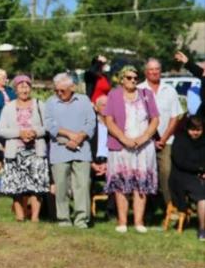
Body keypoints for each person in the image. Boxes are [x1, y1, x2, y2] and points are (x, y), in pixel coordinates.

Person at [103, 66, 159, 233]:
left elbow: (155, 119)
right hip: (121, 146)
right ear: (121, 79)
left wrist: (144, 138)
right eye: (128, 77)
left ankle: (139, 222)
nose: (133, 80)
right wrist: (124, 139)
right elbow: (109, 120)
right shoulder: (114, 95)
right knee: (121, 184)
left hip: (143, 146)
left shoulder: (146, 94)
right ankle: (122, 222)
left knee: (141, 185)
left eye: (135, 77)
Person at [45, 73, 96, 229]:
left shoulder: (84, 100)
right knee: (61, 187)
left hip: (82, 149)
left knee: (82, 186)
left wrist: (79, 137)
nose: (59, 94)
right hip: (59, 150)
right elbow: (49, 125)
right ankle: (64, 219)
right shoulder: (51, 102)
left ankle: (81, 219)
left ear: (72, 88)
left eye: (63, 90)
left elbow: (91, 122)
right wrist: (69, 135)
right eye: (57, 91)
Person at [0, 74, 50, 222]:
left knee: (36, 185)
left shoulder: (40, 104)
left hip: (36, 150)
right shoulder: (8, 107)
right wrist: (19, 133)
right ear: (15, 89)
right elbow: (0, 130)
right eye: (21, 86)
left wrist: (35, 132)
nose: (24, 89)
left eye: (27, 86)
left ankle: (35, 217)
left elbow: (47, 127)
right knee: (16, 186)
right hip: (15, 150)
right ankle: (20, 215)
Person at [138, 58, 184, 214]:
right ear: (146, 72)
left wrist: (163, 139)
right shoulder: (138, 90)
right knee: (146, 174)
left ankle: (171, 209)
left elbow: (175, 117)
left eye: (157, 69)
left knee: (166, 173)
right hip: (144, 141)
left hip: (167, 141)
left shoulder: (169, 90)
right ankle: (147, 210)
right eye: (151, 69)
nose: (154, 72)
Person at [168, 116, 205, 240]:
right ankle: (202, 230)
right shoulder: (180, 140)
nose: (195, 132)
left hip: (199, 175)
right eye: (192, 129)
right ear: (187, 128)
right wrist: (200, 169)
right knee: (202, 196)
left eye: (198, 130)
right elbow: (180, 162)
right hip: (181, 176)